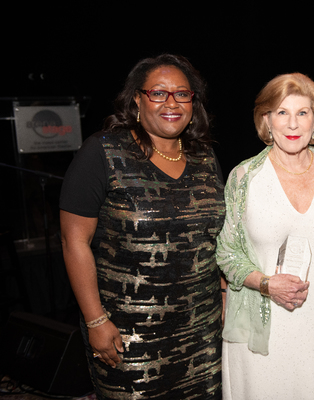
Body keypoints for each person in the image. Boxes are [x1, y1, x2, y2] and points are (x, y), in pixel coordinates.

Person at [59, 54, 225, 399]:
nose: (172, 103)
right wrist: (95, 320)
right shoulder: (103, 152)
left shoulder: (205, 157)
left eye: (182, 94)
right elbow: (74, 241)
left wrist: (224, 294)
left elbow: (217, 237)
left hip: (202, 332)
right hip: (128, 336)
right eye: (159, 93)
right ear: (137, 98)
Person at [216, 73, 314, 399]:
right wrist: (265, 283)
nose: (292, 124)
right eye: (282, 112)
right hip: (260, 328)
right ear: (266, 120)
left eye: (302, 113)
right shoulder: (245, 177)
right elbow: (226, 254)